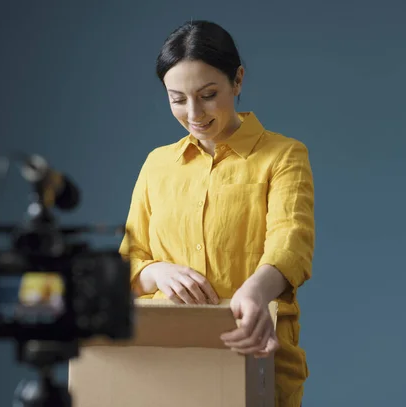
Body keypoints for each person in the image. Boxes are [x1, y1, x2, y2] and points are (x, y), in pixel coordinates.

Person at [119, 20, 315, 407]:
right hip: (160, 363)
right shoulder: (157, 165)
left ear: (237, 79)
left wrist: (255, 292)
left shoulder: (284, 156)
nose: (194, 113)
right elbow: (127, 257)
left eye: (208, 94)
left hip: (252, 349)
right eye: (177, 99)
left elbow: (290, 240)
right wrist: (155, 271)